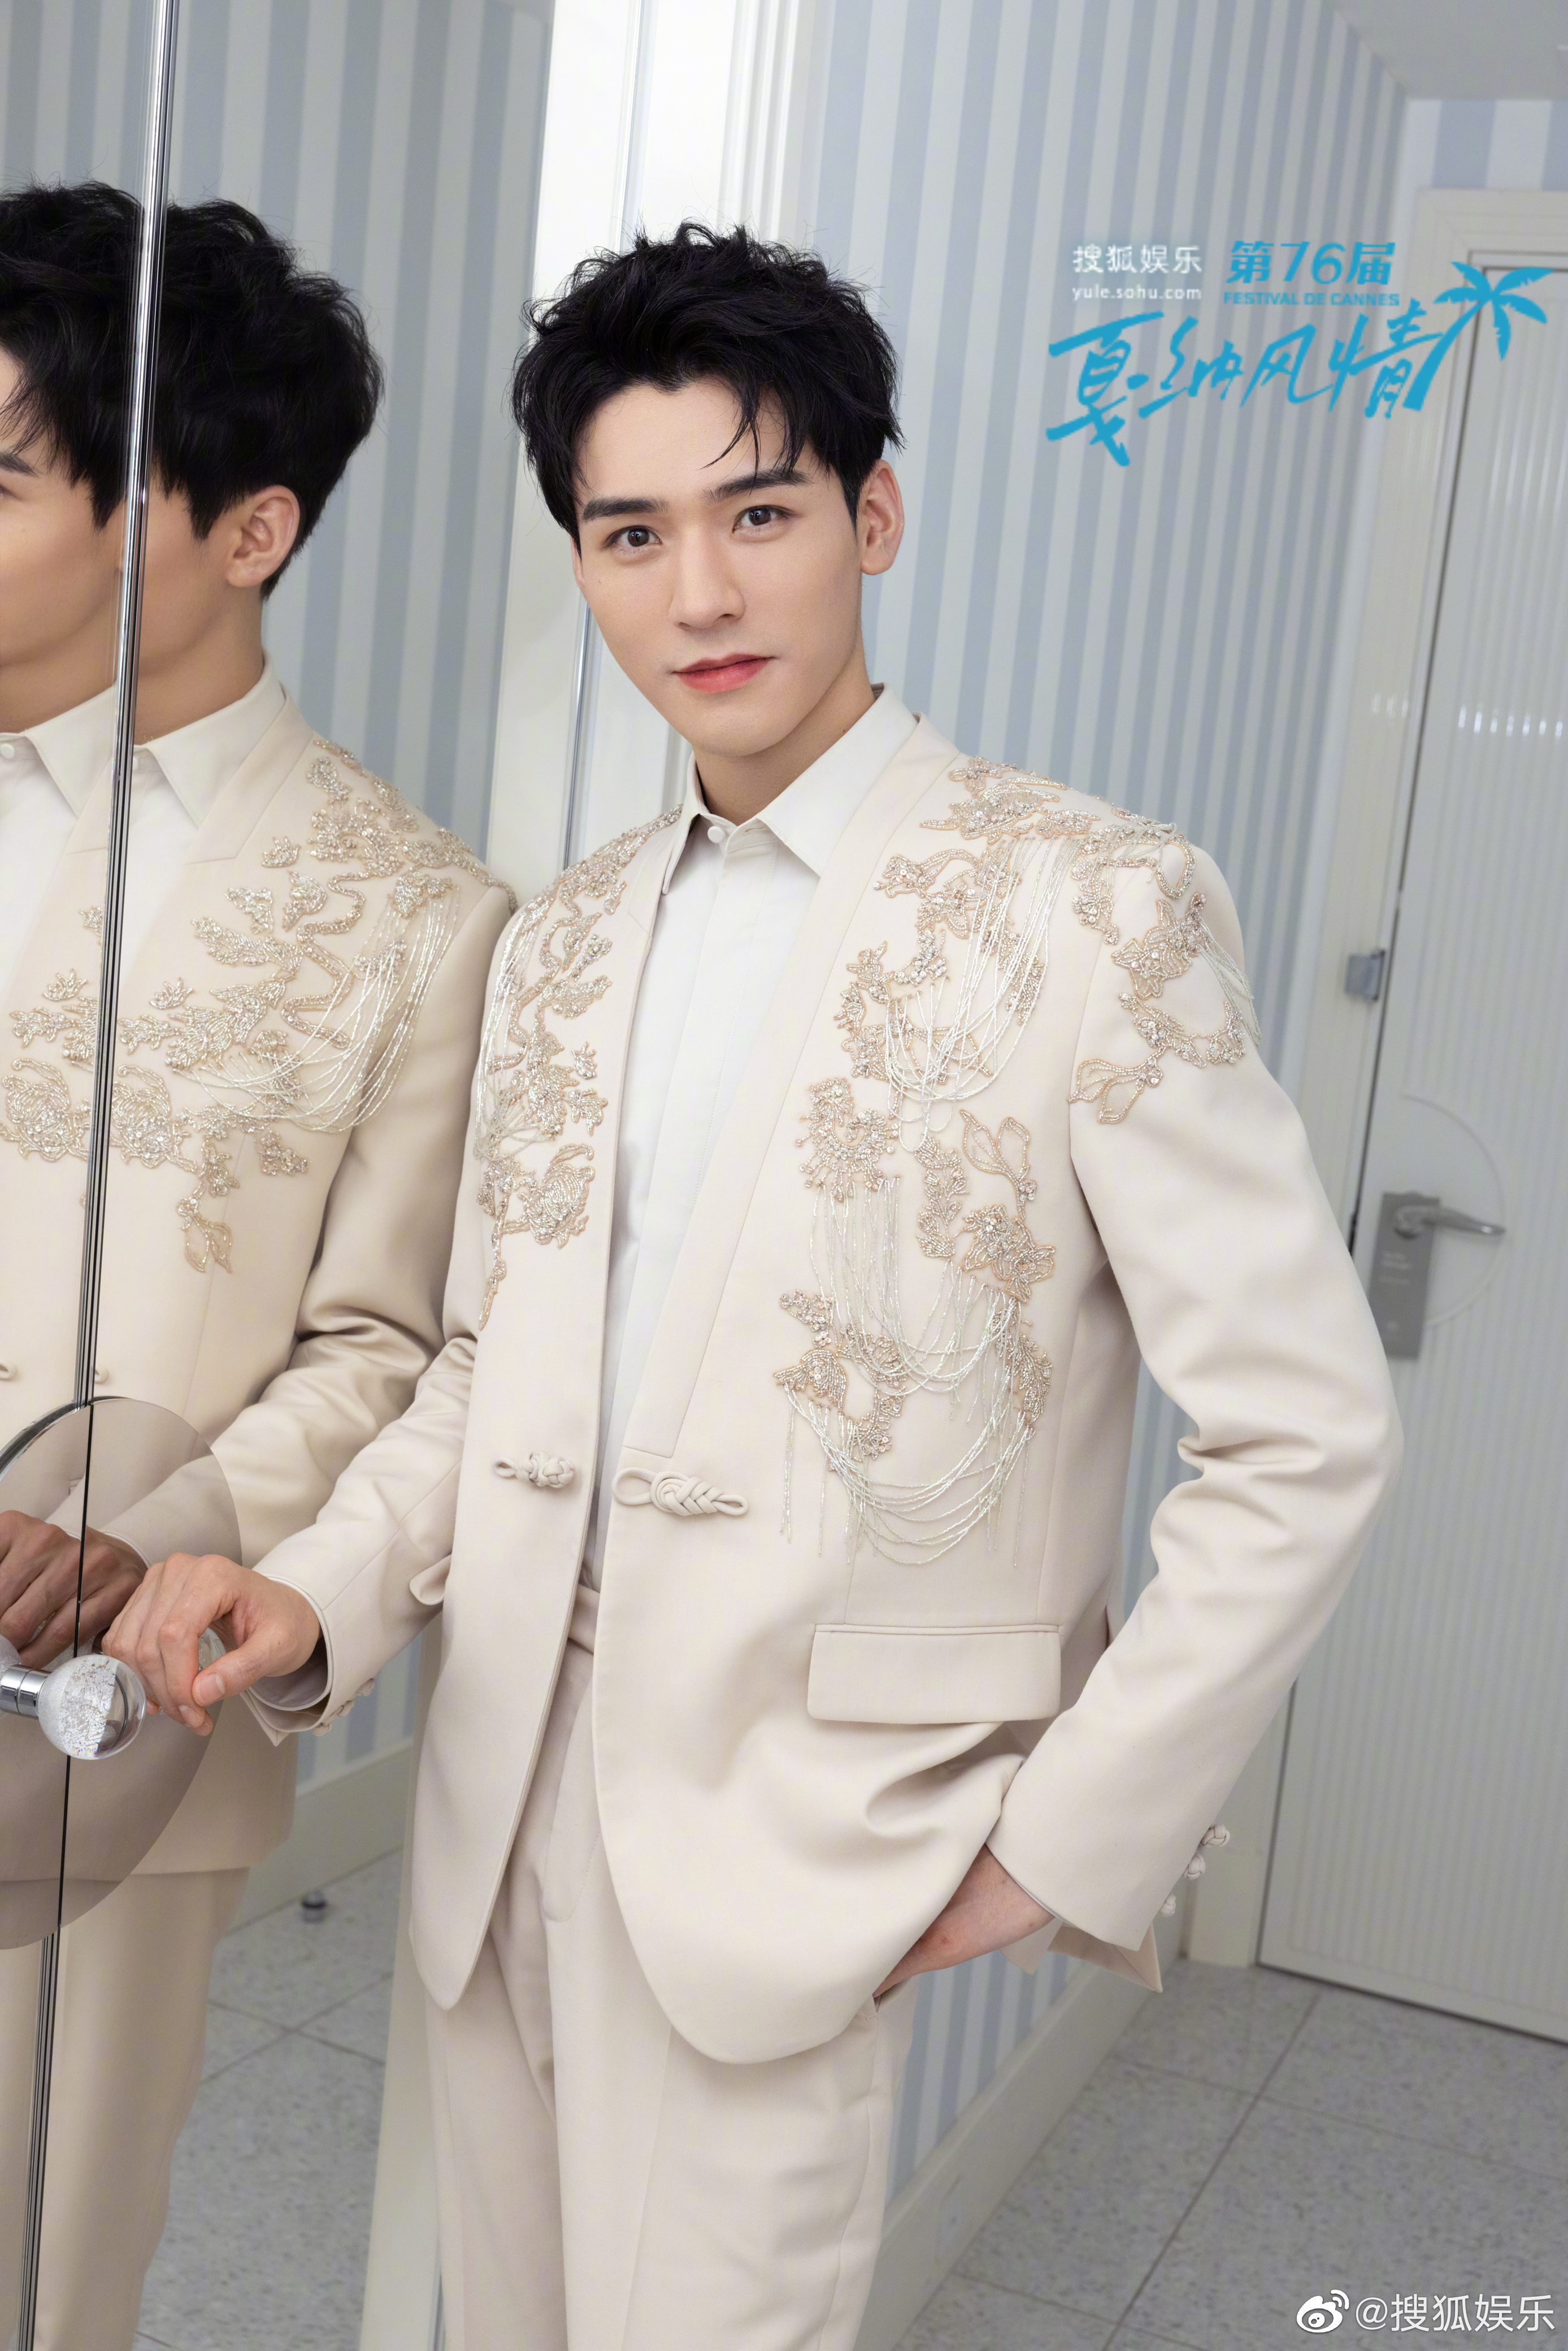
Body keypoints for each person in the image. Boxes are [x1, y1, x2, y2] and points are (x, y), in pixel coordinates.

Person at [110, 223, 1402, 2351]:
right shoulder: (567, 933)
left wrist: (1072, 1837)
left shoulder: (1091, 904)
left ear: (872, 518)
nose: (698, 593)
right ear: (584, 563)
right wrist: (319, 1594)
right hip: (497, 1802)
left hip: (807, 1843)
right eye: (631, 535)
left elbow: (1306, 1432)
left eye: (761, 514)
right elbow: (488, 1368)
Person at [0, 182, 512, 2348]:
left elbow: (387, 1343)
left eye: (2, 477)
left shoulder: (417, 916)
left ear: (244, 528)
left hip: (89, 1727)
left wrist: (148, 1530)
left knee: (36, 2268)